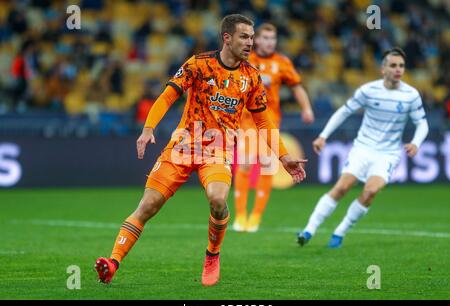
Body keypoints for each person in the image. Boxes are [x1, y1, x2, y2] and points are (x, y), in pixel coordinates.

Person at [94, 14, 307, 287]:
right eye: (244, 37)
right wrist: (148, 129)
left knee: (218, 201)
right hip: (183, 145)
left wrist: (284, 157)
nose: (250, 43)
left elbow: (263, 120)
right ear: (227, 38)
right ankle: (113, 263)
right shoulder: (199, 64)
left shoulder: (252, 77)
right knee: (147, 206)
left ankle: (212, 255)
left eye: (252, 38)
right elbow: (169, 94)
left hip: (218, 151)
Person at [297, 47, 428, 248]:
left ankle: (340, 232)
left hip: (388, 154)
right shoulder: (368, 90)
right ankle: (309, 229)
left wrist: (416, 143)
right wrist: (323, 136)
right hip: (363, 148)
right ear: (383, 69)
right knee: (342, 187)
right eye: (393, 65)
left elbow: (422, 123)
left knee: (370, 192)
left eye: (401, 65)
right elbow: (344, 112)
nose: (398, 69)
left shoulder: (411, 95)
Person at [232, 23, 314, 232]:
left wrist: (306, 108)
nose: (270, 42)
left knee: (267, 167)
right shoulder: (244, 58)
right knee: (245, 165)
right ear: (256, 40)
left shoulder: (282, 62)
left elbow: (297, 87)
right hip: (247, 121)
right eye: (265, 38)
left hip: (270, 123)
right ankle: (240, 215)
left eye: (273, 38)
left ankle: (256, 217)